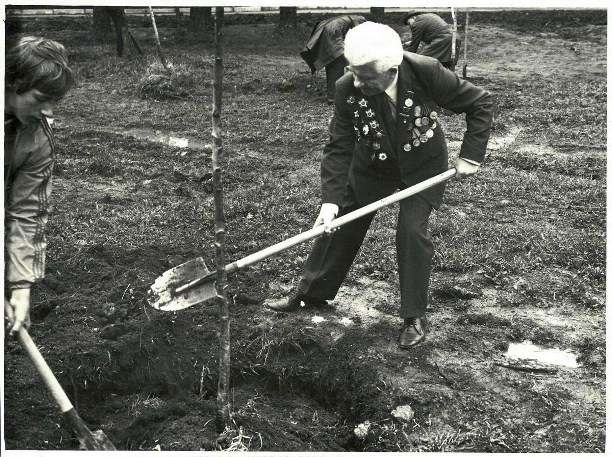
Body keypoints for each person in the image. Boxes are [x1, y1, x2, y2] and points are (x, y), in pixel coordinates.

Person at [267, 22, 492, 349]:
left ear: (391, 71)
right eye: (353, 73)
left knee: (411, 232)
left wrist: (470, 155)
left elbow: (480, 103)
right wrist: (330, 201)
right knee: (340, 222)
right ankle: (310, 293)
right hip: (373, 163)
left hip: (422, 165)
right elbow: (339, 145)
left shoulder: (427, 71)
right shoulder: (347, 86)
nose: (356, 82)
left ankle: (414, 316)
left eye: (365, 77)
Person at [4, 37, 75, 336]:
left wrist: (21, 288)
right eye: (40, 98)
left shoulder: (37, 139)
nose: (48, 112)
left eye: (53, 102)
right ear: (12, 83)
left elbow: (27, 210)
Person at [300, 14, 366, 104]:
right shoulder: (361, 20)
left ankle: (333, 96)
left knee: (332, 63)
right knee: (337, 62)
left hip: (328, 31)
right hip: (333, 33)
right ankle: (337, 97)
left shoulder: (353, 18)